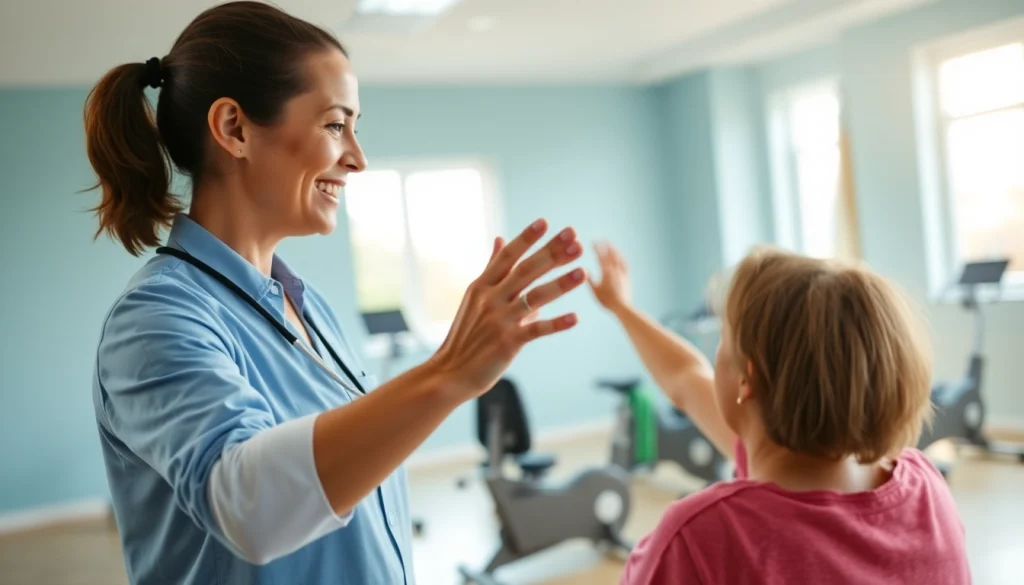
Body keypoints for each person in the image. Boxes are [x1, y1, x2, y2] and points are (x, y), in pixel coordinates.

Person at [83, 2, 588, 584]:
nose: (357, 157)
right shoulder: (156, 320)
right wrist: (448, 372)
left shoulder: (308, 306)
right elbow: (249, 509)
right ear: (234, 129)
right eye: (333, 124)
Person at [587, 242, 971, 584]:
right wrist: (622, 308)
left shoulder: (703, 537)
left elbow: (689, 378)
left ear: (746, 377)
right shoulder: (927, 488)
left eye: (723, 338)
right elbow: (686, 377)